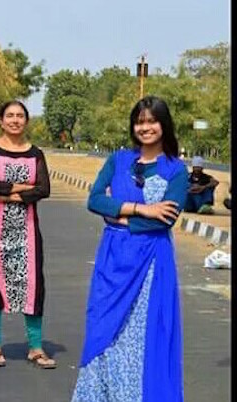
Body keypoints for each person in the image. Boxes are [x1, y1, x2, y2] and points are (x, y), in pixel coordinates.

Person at [72, 96, 186, 401]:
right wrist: (141, 208)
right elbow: (94, 200)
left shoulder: (176, 169)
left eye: (152, 121)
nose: (145, 127)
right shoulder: (118, 160)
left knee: (145, 336)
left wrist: (119, 216)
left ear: (164, 124)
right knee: (102, 330)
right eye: (140, 121)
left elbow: (166, 219)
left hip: (151, 265)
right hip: (112, 261)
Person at [0, 100, 55, 369]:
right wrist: (23, 187)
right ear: (1, 121)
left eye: (20, 116)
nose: (15, 120)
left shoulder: (35, 154)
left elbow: (44, 189)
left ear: (26, 121)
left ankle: (36, 348)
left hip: (25, 229)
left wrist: (6, 193)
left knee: (33, 284)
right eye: (10, 116)